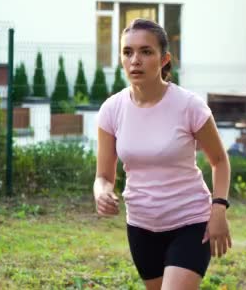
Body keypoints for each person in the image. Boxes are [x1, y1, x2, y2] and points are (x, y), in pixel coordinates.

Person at [94, 18, 232, 289]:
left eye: (146, 52)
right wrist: (101, 192)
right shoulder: (111, 110)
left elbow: (219, 160)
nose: (135, 60)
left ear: (164, 58)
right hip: (141, 225)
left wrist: (219, 209)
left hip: (190, 222)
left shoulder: (189, 106)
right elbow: (103, 175)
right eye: (128, 52)